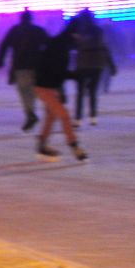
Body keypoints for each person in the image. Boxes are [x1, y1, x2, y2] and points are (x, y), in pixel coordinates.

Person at [33, 13, 88, 162]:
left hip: (48, 86)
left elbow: (57, 71)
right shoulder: (60, 46)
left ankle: (41, 145)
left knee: (50, 117)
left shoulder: (61, 44)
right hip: (43, 86)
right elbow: (57, 71)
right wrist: (75, 76)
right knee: (64, 115)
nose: (81, 40)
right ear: (75, 35)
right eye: (80, 37)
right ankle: (75, 147)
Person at [0, 10, 49, 131]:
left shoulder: (14, 30)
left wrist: (0, 60)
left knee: (24, 91)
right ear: (31, 19)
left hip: (20, 66)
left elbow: (4, 45)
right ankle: (32, 112)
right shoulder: (38, 30)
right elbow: (49, 44)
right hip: (36, 66)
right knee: (33, 90)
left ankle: (30, 113)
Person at [71, 15, 115, 125]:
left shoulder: (79, 32)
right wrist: (111, 65)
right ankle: (93, 116)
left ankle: (78, 118)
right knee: (92, 91)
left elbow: (73, 47)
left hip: (83, 65)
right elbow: (105, 48)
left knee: (80, 92)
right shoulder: (98, 32)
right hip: (97, 64)